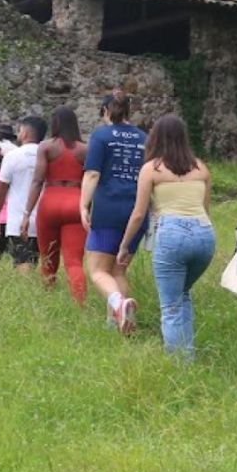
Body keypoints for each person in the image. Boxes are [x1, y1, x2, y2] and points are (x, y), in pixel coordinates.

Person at [119, 115, 215, 358]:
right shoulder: (201, 168)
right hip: (204, 235)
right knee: (183, 294)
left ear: (155, 139)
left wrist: (125, 245)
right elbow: (205, 208)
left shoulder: (152, 169)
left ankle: (180, 365)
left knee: (171, 306)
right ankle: (188, 354)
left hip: (172, 234)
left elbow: (139, 213)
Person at [81, 92, 148, 334]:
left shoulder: (101, 136)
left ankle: (119, 305)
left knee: (98, 270)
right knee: (119, 270)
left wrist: (83, 206)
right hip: (138, 211)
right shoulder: (144, 138)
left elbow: (92, 174)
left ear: (104, 111)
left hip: (108, 209)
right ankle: (117, 323)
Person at [21, 106, 88, 304]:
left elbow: (37, 181)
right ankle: (80, 304)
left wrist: (26, 214)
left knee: (47, 257)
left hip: (50, 201)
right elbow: (91, 180)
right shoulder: (86, 149)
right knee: (74, 261)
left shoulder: (46, 147)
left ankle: (48, 296)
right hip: (76, 201)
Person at [0, 116, 47, 272]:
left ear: (24, 132)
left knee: (22, 262)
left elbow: (0, 191)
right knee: (44, 262)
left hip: (18, 221)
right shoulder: (48, 155)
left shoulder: (12, 156)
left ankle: (27, 291)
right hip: (45, 219)